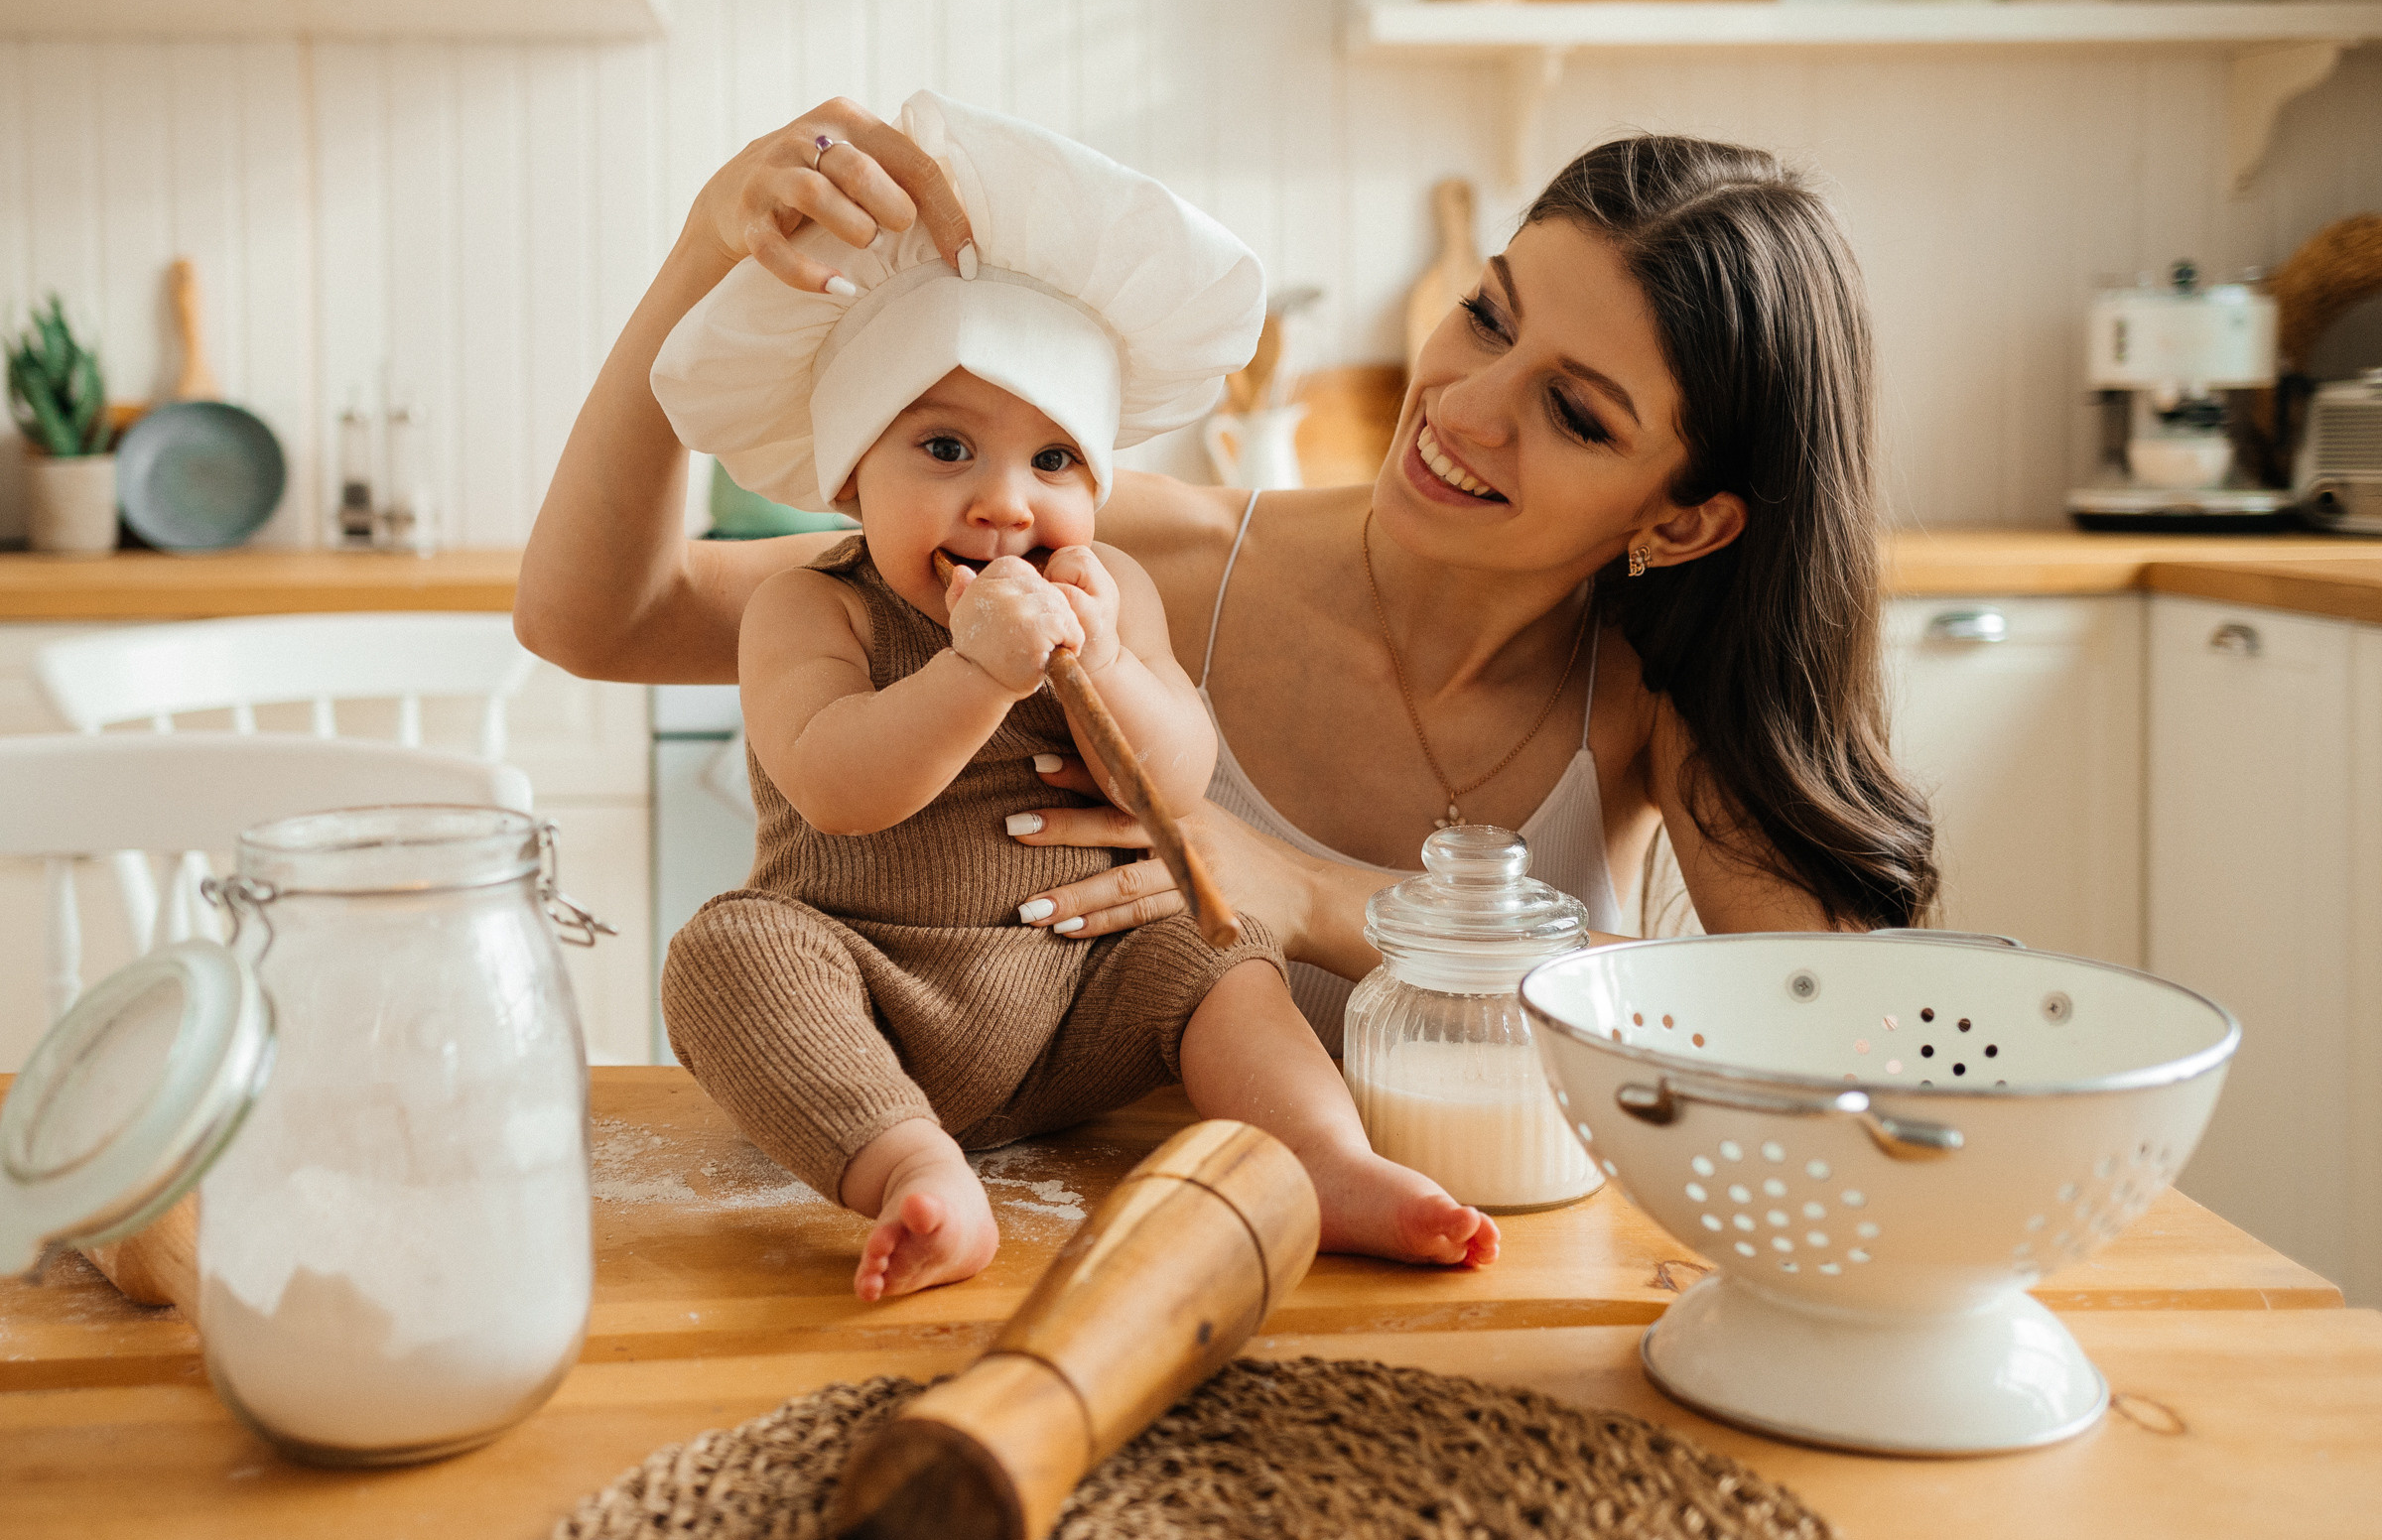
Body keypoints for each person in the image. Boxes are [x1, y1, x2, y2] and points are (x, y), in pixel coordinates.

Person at [520, 94, 1937, 1112]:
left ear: (1683, 517)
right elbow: (598, 613)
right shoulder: (1135, 559)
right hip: (1149, 1262)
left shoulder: (1647, 690)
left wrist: (1315, 894)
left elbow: (1812, 1022)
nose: (1463, 404)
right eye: (1489, 315)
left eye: (1572, 410)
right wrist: (714, 248)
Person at [645, 93, 1497, 1302]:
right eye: (944, 449)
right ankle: (909, 1170)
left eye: (1053, 461)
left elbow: (1173, 783)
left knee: (1211, 940)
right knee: (724, 953)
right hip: (866, 991)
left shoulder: (1113, 594)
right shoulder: (812, 606)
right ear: (850, 479)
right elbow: (838, 785)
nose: (1005, 501)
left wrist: (1097, 664)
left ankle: (1326, 1160)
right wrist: (977, 669)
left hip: (1073, 993)